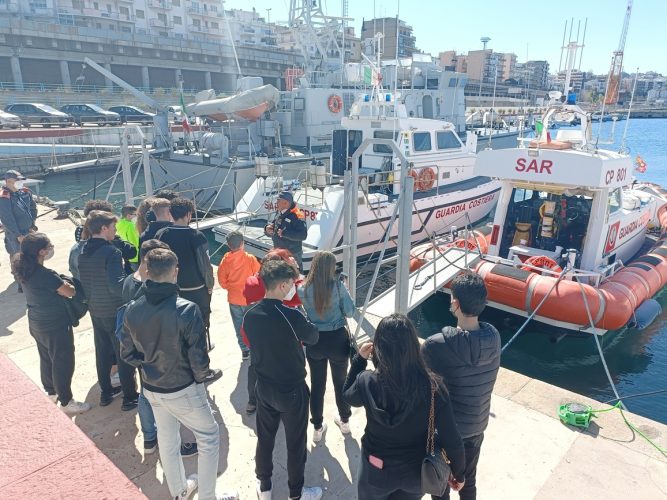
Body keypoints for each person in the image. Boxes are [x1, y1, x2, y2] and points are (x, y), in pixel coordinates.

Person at [120, 248, 234, 500]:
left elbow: (127, 354)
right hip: (182, 387)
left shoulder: (132, 309)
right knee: (209, 437)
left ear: (147, 272)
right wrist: (200, 378)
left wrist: (149, 366)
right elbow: (198, 359)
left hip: (152, 388)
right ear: (176, 272)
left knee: (167, 440)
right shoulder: (186, 310)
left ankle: (180, 492)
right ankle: (208, 497)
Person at [343, 314, 466, 500]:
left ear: (379, 348)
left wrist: (359, 359)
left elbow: (348, 396)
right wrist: (460, 473)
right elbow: (452, 438)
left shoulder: (366, 381)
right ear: (413, 346)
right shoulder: (433, 387)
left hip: (375, 468)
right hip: (415, 473)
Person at [242, 260, 322, 500]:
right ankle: (296, 493)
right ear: (283, 285)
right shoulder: (292, 315)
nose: (294, 288)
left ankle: (264, 486)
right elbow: (313, 337)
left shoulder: (250, 314)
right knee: (295, 443)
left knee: (265, 439)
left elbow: (249, 342)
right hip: (292, 389)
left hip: (264, 387)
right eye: (292, 284)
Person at [422, 272, 501, 500]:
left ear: (455, 303)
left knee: (440, 484)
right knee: (468, 481)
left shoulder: (435, 344)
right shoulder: (494, 338)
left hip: (446, 431)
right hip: (477, 425)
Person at [122, 238, 199, 458]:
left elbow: (126, 345)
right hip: (163, 362)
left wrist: (143, 362)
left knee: (145, 396)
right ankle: (176, 443)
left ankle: (149, 438)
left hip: (145, 357)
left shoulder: (129, 281)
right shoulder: (150, 292)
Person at [11, 233, 90, 414]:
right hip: (55, 324)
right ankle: (66, 401)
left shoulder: (23, 269)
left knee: (46, 358)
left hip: (36, 321)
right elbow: (69, 292)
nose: (51, 249)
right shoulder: (45, 275)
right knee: (63, 361)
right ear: (41, 252)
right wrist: (68, 283)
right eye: (49, 247)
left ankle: (52, 392)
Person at [78, 210, 138, 409]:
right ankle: (129, 397)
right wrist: (134, 281)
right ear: (104, 228)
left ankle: (106, 392)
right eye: (113, 227)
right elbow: (116, 285)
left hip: (95, 308)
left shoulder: (83, 251)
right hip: (114, 309)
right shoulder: (112, 252)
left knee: (102, 352)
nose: (115, 231)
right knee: (123, 353)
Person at [298, 250, 355, 442]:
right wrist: (346, 290)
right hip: (337, 339)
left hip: (315, 340)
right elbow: (350, 312)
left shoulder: (302, 289)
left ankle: (317, 427)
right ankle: (345, 421)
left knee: (317, 385)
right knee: (341, 382)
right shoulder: (338, 286)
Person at [242, 248, 302, 415]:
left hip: (256, 333)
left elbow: (247, 297)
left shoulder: (251, 281)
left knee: (255, 366)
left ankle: (252, 401)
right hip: (281, 334)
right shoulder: (285, 285)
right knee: (281, 368)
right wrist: (294, 270)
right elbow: (297, 300)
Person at [156, 197, 214, 351]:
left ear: (170, 214)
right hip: (196, 289)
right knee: (200, 322)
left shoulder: (161, 234)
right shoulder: (197, 236)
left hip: (171, 289)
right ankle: (200, 351)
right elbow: (205, 264)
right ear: (189, 214)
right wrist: (209, 284)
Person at [217, 230, 260, 361]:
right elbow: (258, 276)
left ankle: (244, 350)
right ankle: (256, 347)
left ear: (228, 245)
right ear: (242, 243)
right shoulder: (250, 258)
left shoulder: (225, 261)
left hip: (234, 299)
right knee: (253, 324)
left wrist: (231, 288)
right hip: (250, 299)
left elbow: (222, 281)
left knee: (238, 325)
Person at [70, 200, 137, 280]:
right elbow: (132, 252)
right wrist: (116, 241)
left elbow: (74, 271)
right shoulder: (112, 249)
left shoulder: (75, 248)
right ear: (104, 226)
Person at [1, 170, 37, 291]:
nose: (20, 182)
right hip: (15, 234)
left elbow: (32, 208)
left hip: (29, 230)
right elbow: (7, 219)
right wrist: (18, 235)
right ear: (8, 182)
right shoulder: (4, 197)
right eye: (17, 180)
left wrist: (32, 224)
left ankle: (31, 278)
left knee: (31, 255)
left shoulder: (25, 192)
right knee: (18, 258)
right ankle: (22, 284)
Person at [264, 191, 307, 269]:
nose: (276, 202)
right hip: (278, 251)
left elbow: (303, 235)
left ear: (285, 203)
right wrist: (267, 229)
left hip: (292, 254)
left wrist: (284, 233)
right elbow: (274, 225)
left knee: (294, 274)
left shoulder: (298, 215)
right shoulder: (280, 212)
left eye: (278, 200)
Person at [116, 205, 139, 272]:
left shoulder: (118, 223)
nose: (136, 216)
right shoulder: (131, 226)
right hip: (134, 257)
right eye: (135, 214)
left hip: (124, 254)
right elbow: (135, 242)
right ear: (128, 216)